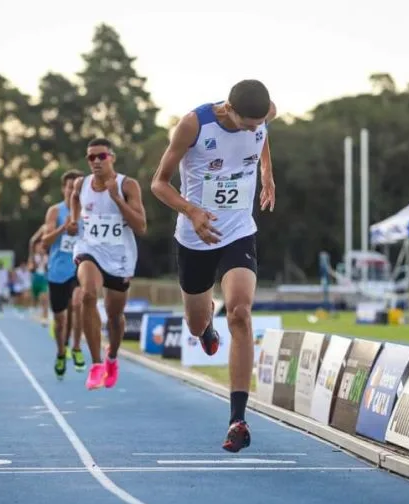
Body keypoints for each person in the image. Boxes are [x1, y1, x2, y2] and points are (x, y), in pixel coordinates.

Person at [150, 79, 277, 452]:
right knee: (196, 321)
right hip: (196, 236)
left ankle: (237, 418)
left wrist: (267, 173)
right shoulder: (194, 124)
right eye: (247, 123)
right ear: (230, 109)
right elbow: (159, 183)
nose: (255, 128)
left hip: (239, 229)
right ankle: (206, 329)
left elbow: (263, 137)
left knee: (240, 313)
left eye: (259, 123)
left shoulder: (264, 114)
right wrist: (191, 211)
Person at [70, 137, 147, 391]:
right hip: (89, 249)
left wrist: (117, 199)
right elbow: (74, 197)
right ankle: (95, 365)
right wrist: (73, 219)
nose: (95, 161)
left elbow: (141, 226)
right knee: (88, 294)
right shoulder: (82, 184)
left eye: (101, 156)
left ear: (111, 157)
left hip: (119, 257)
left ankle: (111, 357)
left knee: (115, 317)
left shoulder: (128, 185)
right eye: (90, 157)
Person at [41, 170, 86, 377]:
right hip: (58, 270)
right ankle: (61, 352)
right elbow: (45, 242)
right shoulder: (54, 211)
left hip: (80, 267)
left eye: (77, 187)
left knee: (78, 304)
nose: (73, 191)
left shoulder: (89, 209)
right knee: (60, 321)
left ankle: (76, 348)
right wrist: (63, 228)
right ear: (64, 189)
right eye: (70, 187)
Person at [28, 227, 50, 325]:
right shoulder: (33, 256)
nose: (40, 248)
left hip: (43, 279)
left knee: (44, 299)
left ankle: (45, 318)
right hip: (35, 279)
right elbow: (31, 242)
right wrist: (40, 231)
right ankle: (33, 310)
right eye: (38, 247)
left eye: (42, 247)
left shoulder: (47, 257)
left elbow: (47, 269)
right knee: (34, 300)